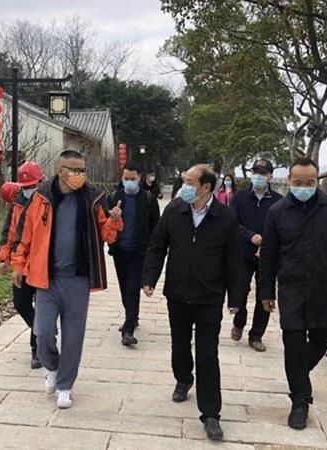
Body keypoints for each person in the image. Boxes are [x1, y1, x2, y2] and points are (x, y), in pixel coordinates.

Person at [11, 149, 124, 409]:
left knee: (73, 336)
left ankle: (65, 385)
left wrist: (115, 221)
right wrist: (18, 264)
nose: (78, 175)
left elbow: (107, 235)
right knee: (43, 333)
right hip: (46, 279)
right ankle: (52, 367)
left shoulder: (93, 198)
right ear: (60, 171)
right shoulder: (41, 198)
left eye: (82, 170)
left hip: (77, 280)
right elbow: (25, 235)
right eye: (73, 170)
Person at [258, 157, 327, 430]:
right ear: (289, 181)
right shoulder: (277, 212)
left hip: (325, 288)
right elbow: (268, 256)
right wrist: (266, 292)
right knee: (293, 343)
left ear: (316, 181)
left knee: (322, 337)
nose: (303, 187)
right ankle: (300, 401)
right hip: (292, 289)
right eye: (298, 182)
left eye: (309, 182)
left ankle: (297, 375)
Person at [141, 164, 243, 441]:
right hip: (178, 292)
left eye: (189, 182)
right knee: (180, 343)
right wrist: (149, 277)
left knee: (208, 354)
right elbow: (157, 245)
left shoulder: (225, 218)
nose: (184, 186)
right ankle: (183, 378)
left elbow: (235, 261)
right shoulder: (175, 210)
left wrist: (236, 298)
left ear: (206, 187)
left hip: (210, 296)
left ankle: (211, 413)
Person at [229, 160, 283, 352]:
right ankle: (239, 321)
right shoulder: (240, 197)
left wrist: (266, 241)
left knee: (265, 294)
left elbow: (281, 227)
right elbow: (232, 222)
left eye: (263, 173)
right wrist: (251, 236)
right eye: (255, 172)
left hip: (267, 255)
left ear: (270, 176)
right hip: (243, 251)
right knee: (240, 290)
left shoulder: (278, 201)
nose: (258, 176)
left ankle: (257, 335)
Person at [0, 161, 46, 369]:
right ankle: (42, 331)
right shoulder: (16, 205)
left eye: (32, 186)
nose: (28, 190)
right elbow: (8, 234)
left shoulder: (49, 203)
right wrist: (3, 258)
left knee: (42, 307)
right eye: (25, 187)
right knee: (21, 303)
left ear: (41, 182)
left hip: (43, 263)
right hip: (21, 263)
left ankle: (38, 349)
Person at [108, 162, 160, 346]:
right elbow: (106, 224)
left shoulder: (148, 199)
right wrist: (112, 217)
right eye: (126, 178)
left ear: (140, 178)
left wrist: (154, 251)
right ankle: (132, 317)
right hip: (120, 251)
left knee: (132, 289)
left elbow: (156, 226)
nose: (129, 181)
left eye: (132, 178)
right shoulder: (115, 197)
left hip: (140, 252)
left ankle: (128, 330)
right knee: (124, 288)